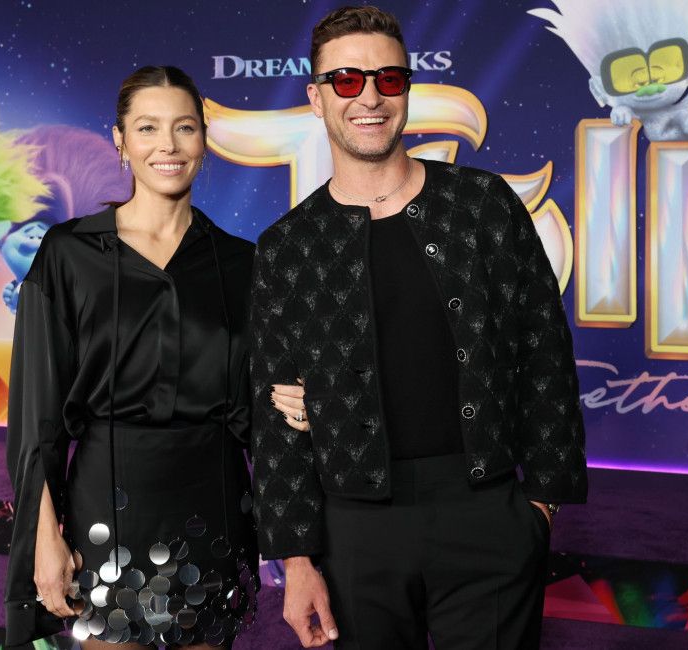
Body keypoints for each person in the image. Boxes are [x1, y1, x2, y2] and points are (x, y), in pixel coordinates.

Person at [249, 6, 588, 649]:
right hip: (354, 529)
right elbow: (275, 418)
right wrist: (296, 558)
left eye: (388, 78)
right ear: (316, 98)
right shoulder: (288, 246)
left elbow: (545, 350)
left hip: (486, 512)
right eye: (346, 81)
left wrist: (540, 508)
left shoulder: (482, 206)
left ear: (407, 89)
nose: (369, 98)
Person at [4, 65, 306, 649]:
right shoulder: (69, 254)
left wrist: (302, 405)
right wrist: (44, 536)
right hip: (105, 509)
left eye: (184, 127)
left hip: (213, 509)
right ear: (120, 139)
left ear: (204, 139)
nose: (167, 145)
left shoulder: (242, 264)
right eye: (147, 128)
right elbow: (36, 419)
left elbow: (263, 410)